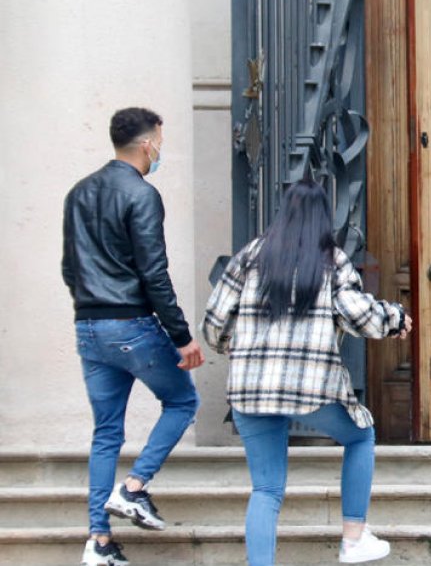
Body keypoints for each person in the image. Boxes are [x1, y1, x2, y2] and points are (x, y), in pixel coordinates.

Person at [202, 179, 412, 565]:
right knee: (361, 436)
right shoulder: (330, 259)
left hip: (251, 389)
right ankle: (353, 538)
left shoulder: (250, 255)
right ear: (322, 219)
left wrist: (227, 343)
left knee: (265, 489)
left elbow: (214, 321)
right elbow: (357, 313)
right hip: (308, 386)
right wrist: (395, 318)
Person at [63, 107, 204, 566]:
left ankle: (99, 542)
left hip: (89, 325)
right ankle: (134, 487)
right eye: (160, 140)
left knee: (106, 433)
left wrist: (89, 307)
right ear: (148, 144)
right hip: (132, 324)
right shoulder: (142, 195)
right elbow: (153, 273)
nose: (160, 148)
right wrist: (182, 337)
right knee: (183, 401)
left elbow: (70, 268)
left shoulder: (78, 192)